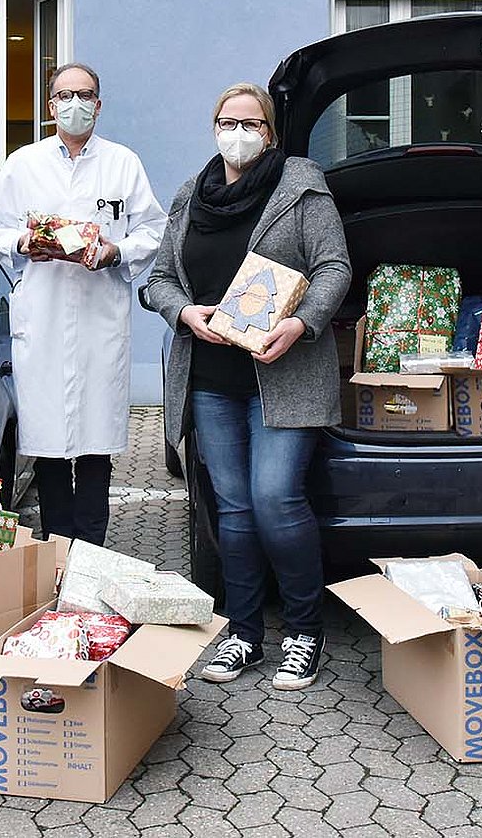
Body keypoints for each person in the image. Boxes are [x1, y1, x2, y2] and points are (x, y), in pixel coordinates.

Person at [145, 82, 351, 691]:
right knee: (231, 510)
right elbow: (159, 280)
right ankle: (242, 632)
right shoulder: (191, 195)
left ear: (269, 131)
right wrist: (184, 312)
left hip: (283, 373)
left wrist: (302, 322)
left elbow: (334, 267)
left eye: (251, 123)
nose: (238, 133)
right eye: (227, 122)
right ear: (214, 128)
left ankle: (304, 632)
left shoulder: (300, 187)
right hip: (212, 378)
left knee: (275, 499)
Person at [0, 63, 166, 545]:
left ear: (98, 105)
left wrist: (115, 251)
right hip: (42, 316)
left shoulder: (123, 163)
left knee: (96, 444)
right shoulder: (24, 163)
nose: (75, 104)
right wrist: (22, 243)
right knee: (48, 444)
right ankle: (57, 547)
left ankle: (91, 550)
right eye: (65, 96)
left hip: (100, 317)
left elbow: (153, 229)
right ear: (50, 106)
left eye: (84, 95)